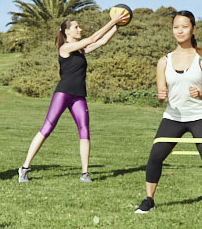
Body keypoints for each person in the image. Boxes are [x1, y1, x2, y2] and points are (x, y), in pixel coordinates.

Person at [135, 10, 202, 217]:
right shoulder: (164, 61)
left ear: (193, 29)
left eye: (184, 26)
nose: (180, 30)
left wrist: (200, 94)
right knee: (155, 156)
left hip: (200, 115)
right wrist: (161, 95)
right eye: (176, 27)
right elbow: (162, 96)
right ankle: (149, 200)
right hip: (173, 117)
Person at [17, 10, 128, 183]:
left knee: (84, 131)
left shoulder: (81, 51)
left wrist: (119, 24)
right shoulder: (65, 48)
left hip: (79, 96)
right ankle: (24, 168)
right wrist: (112, 21)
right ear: (67, 31)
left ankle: (85, 173)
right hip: (63, 93)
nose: (80, 29)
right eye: (76, 27)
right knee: (47, 128)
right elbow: (92, 39)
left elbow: (102, 41)